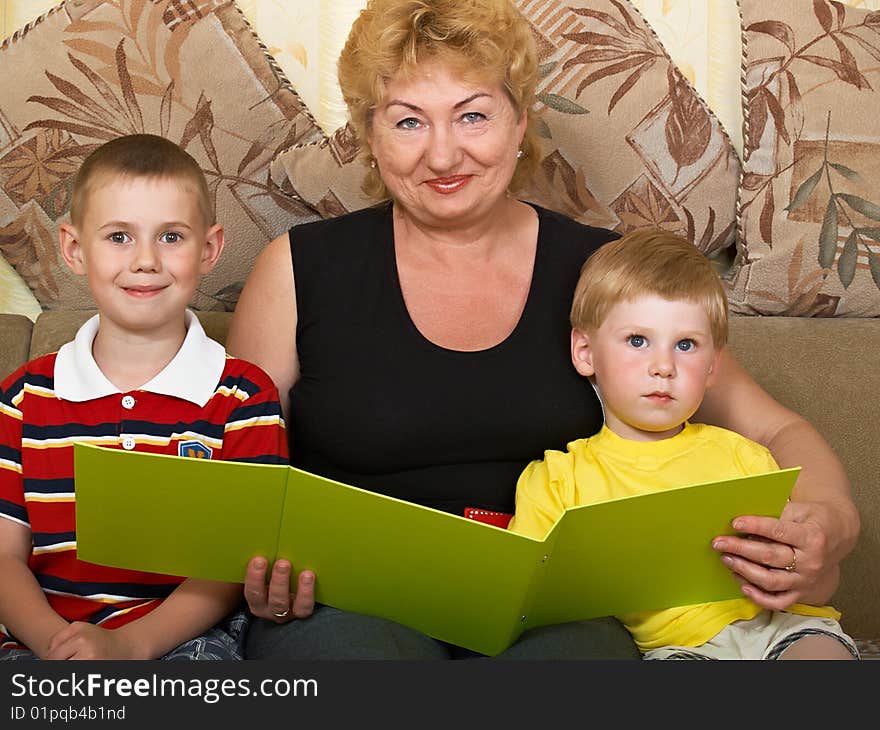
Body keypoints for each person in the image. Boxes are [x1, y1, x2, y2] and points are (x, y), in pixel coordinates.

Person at [226, 0, 859, 660]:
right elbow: (232, 477)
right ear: (368, 134)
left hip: (556, 615)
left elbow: (774, 429)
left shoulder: (607, 271)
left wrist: (831, 525)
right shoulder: (297, 268)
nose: (443, 154)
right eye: (409, 121)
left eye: (473, 115)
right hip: (350, 601)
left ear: (521, 122)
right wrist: (257, 562)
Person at [506, 229, 858, 660]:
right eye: (638, 341)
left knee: (823, 656)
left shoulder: (743, 455)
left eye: (686, 345)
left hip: (784, 626)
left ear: (712, 367)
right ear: (585, 352)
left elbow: (818, 575)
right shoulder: (559, 479)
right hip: (679, 649)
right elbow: (523, 599)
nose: (663, 367)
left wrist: (806, 573)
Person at [0, 134, 288, 660]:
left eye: (171, 237)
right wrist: (54, 646)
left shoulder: (243, 398)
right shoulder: (23, 398)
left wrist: (130, 645)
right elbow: (3, 557)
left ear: (209, 249)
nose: (146, 261)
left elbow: (233, 564)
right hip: (37, 638)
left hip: (186, 640)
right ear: (73, 248)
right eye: (118, 237)